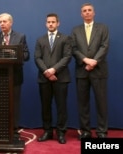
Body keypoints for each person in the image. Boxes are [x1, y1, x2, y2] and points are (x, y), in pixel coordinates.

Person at [71, 3, 109, 139]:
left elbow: (104, 46)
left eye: (89, 10)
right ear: (81, 14)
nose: (87, 13)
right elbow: (74, 49)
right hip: (82, 71)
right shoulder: (75, 30)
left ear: (94, 13)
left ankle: (102, 132)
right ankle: (85, 131)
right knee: (83, 103)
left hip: (99, 70)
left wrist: (94, 61)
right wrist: (86, 60)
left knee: (101, 102)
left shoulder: (103, 28)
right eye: (84, 11)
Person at [0, 13, 30, 139]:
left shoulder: (20, 36)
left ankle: (14, 129)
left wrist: (14, 53)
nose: (2, 24)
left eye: (4, 21)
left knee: (14, 104)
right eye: (0, 22)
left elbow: (26, 55)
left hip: (15, 76)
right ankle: (1, 129)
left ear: (10, 23)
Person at [34, 13, 72, 144]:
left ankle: (61, 133)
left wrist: (53, 70)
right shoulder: (40, 40)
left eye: (53, 22)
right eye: (48, 22)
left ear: (58, 23)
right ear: (46, 23)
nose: (50, 24)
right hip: (44, 78)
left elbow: (67, 57)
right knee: (46, 106)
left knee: (61, 107)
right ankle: (47, 131)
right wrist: (46, 71)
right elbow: (37, 58)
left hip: (60, 78)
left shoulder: (66, 38)